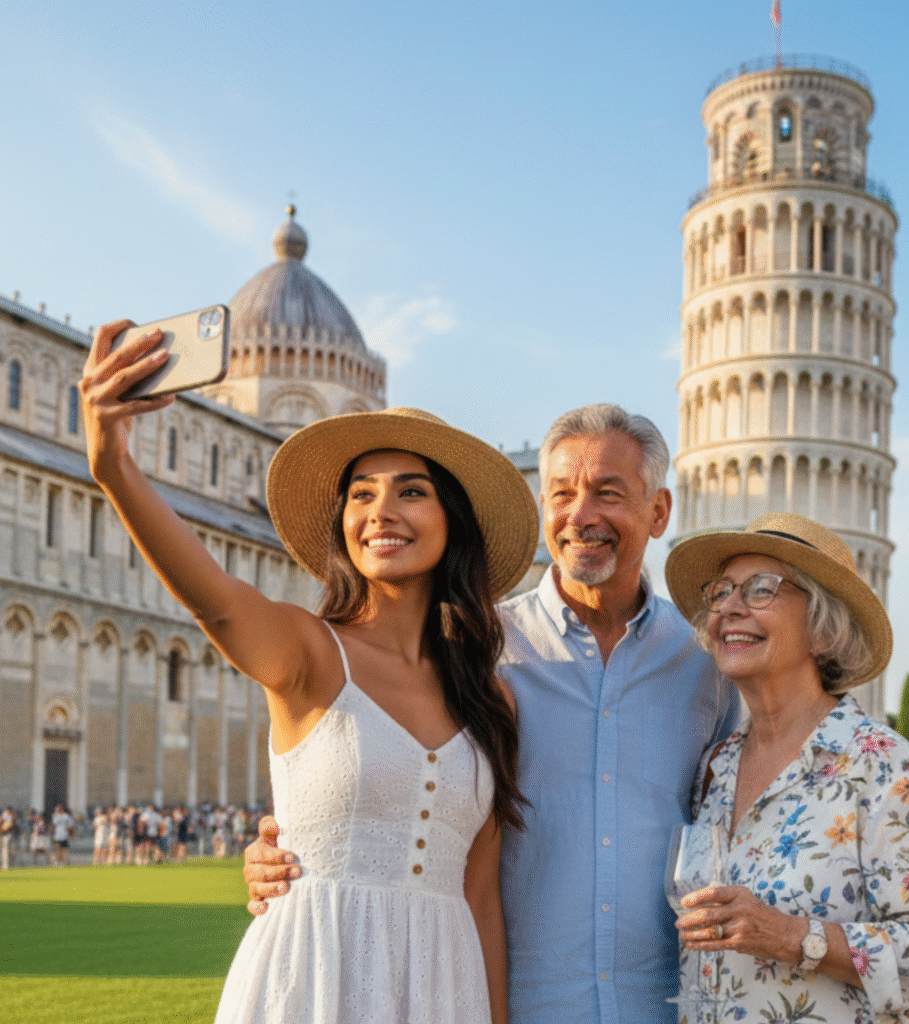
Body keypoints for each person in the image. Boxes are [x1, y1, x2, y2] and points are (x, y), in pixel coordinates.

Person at [81, 318, 540, 1023]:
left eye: (411, 491)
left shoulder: (491, 700)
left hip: (444, 993)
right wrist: (113, 465)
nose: (381, 510)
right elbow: (213, 597)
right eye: (361, 493)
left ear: (454, 519)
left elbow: (480, 899)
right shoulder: (307, 653)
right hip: (310, 982)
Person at [246, 403, 740, 1023]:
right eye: (561, 494)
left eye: (608, 493)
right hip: (515, 1002)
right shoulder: (471, 655)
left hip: (665, 1005)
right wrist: (287, 848)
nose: (581, 515)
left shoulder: (707, 667)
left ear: (660, 511)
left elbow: (737, 825)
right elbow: (373, 772)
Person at [664, 512, 909, 1024]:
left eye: (761, 590)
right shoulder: (715, 768)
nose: (729, 608)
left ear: (824, 630)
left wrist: (791, 936)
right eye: (721, 592)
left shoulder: (888, 772)